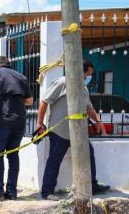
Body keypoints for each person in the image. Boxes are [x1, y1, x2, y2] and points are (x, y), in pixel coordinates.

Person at [36, 60, 110, 200]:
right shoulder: (62, 82)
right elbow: (44, 101)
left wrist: (98, 121)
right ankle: (47, 191)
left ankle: (92, 186)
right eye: (88, 74)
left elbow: (89, 108)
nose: (89, 77)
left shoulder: (84, 88)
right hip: (59, 131)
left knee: (89, 153)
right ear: (81, 71)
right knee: (55, 160)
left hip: (78, 132)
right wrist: (39, 123)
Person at [0, 56, 33, 200]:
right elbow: (29, 101)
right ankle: (12, 192)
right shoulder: (21, 77)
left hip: (2, 120)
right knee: (13, 155)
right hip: (19, 121)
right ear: (9, 65)